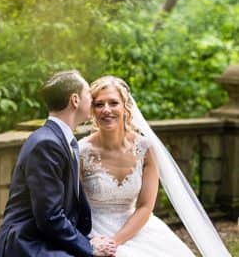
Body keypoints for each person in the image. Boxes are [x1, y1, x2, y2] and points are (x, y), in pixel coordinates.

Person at [79, 76, 228, 257]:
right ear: (92, 111)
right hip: (95, 229)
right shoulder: (81, 151)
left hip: (136, 226)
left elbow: (145, 206)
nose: (106, 110)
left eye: (113, 103)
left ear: (125, 107)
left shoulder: (145, 148)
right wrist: (94, 242)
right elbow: (73, 204)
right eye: (99, 104)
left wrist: (115, 242)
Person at [0, 69, 116, 257]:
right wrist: (90, 248)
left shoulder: (61, 140)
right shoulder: (46, 144)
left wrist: (88, 240)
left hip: (46, 237)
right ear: (75, 100)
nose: (92, 101)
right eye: (88, 95)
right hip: (27, 242)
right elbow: (49, 216)